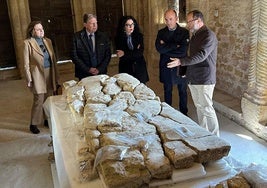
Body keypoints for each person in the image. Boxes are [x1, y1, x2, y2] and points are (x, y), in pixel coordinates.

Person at [167, 10, 220, 136]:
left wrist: (181, 62)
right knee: (200, 108)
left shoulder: (208, 35)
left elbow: (201, 55)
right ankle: (205, 133)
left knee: (207, 108)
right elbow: (191, 56)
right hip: (194, 77)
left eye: (190, 21)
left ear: (198, 20)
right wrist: (186, 71)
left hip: (204, 78)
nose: (188, 24)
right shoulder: (196, 35)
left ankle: (215, 138)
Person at [23, 21, 60, 134]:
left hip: (50, 72)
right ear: (32, 31)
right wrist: (29, 78)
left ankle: (45, 119)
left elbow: (53, 61)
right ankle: (33, 123)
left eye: (42, 28)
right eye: (38, 29)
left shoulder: (47, 41)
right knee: (39, 99)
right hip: (37, 74)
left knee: (48, 97)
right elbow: (26, 64)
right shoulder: (27, 43)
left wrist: (56, 76)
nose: (41, 31)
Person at [155, 9, 189, 115]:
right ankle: (168, 113)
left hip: (181, 65)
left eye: (171, 19)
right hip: (167, 65)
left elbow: (183, 50)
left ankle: (184, 112)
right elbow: (159, 49)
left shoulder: (184, 32)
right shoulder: (161, 32)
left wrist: (166, 47)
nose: (168, 22)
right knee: (167, 90)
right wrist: (175, 45)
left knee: (182, 90)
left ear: (176, 19)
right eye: (166, 19)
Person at [71, 13, 111, 80]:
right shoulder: (76, 37)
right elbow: (74, 56)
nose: (95, 25)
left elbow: (108, 55)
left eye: (96, 23)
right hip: (84, 73)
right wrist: (88, 69)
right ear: (85, 25)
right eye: (92, 23)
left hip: (100, 73)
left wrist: (99, 69)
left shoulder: (103, 37)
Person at [115, 15, 149, 84]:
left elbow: (140, 53)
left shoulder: (139, 36)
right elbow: (121, 55)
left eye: (132, 24)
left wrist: (125, 53)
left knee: (142, 90)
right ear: (123, 26)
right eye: (128, 25)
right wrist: (134, 52)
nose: (131, 27)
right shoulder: (118, 38)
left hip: (139, 68)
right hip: (126, 68)